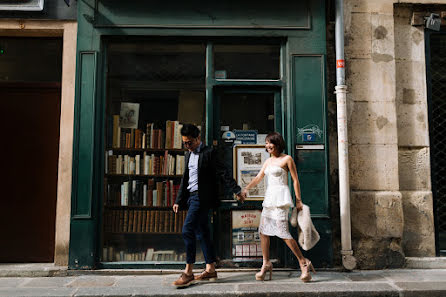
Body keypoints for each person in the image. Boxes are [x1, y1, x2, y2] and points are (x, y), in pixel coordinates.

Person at [172, 123, 245, 288]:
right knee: (203, 232)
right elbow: (186, 179)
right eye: (184, 143)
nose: (187, 146)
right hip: (191, 197)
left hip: (201, 198)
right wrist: (178, 200)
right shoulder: (188, 155)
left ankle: (188, 272)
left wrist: (236, 190)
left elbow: (223, 172)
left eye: (190, 142)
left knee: (187, 231)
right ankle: (210, 269)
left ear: (198, 139)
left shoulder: (209, 153)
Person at [241, 132, 315, 282]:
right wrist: (246, 189)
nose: (267, 145)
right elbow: (258, 177)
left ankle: (303, 262)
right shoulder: (268, 161)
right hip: (269, 199)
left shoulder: (287, 159)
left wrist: (298, 200)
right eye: (266, 143)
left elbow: (295, 180)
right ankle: (266, 263)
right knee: (263, 232)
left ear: (277, 144)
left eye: (270, 143)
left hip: (281, 198)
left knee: (283, 232)